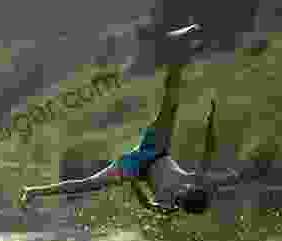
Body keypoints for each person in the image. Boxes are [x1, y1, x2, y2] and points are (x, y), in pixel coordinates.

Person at [20, 24, 243, 215]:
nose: (182, 190)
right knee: (172, 103)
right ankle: (178, 47)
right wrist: (212, 119)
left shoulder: (167, 203)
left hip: (134, 169)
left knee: (89, 184)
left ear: (183, 201)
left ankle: (33, 191)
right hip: (156, 150)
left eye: (183, 195)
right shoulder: (197, 183)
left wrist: (134, 184)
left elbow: (147, 203)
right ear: (194, 191)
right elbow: (209, 152)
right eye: (188, 191)